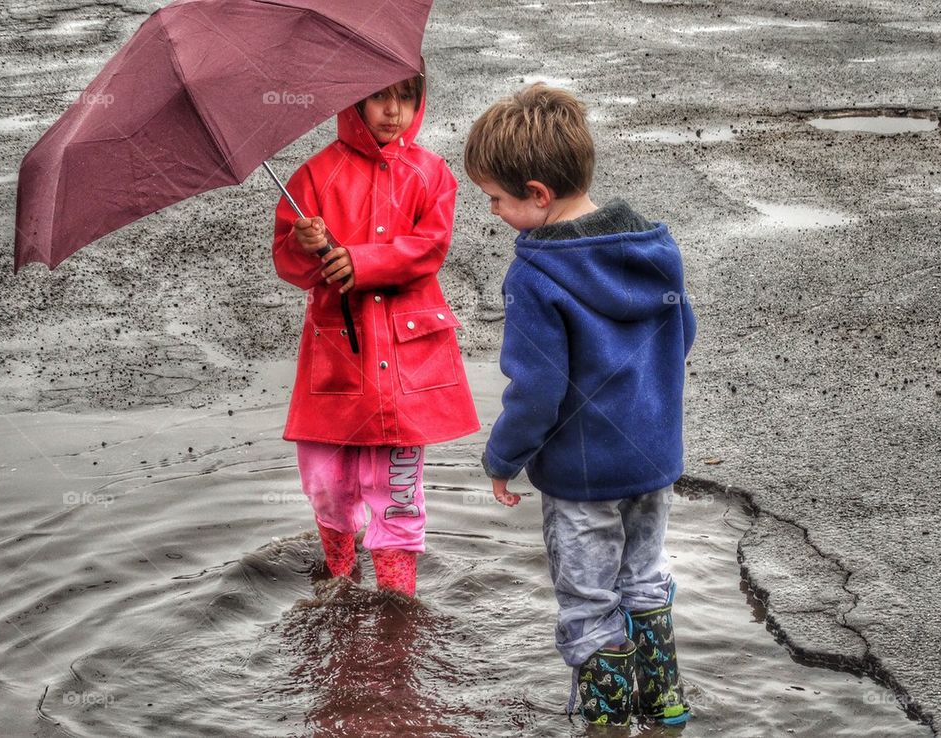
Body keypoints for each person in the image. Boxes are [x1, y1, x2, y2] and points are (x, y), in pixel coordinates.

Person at [463, 83, 697, 727]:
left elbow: (537, 389)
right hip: (653, 463)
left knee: (589, 599)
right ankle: (666, 705)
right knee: (645, 578)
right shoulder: (653, 247)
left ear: (537, 194)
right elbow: (681, 335)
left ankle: (606, 719)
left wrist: (502, 457)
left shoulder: (536, 276)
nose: (493, 210)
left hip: (583, 477)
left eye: (497, 199)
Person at [271, 70, 479, 598]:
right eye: (379, 97)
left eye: (405, 98)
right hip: (338, 358)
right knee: (326, 482)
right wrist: (305, 243)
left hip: (407, 361)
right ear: (353, 101)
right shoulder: (314, 177)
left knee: (396, 489)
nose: (393, 111)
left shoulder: (432, 174)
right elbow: (290, 266)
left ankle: (396, 601)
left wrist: (359, 261)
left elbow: (429, 247)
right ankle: (340, 578)